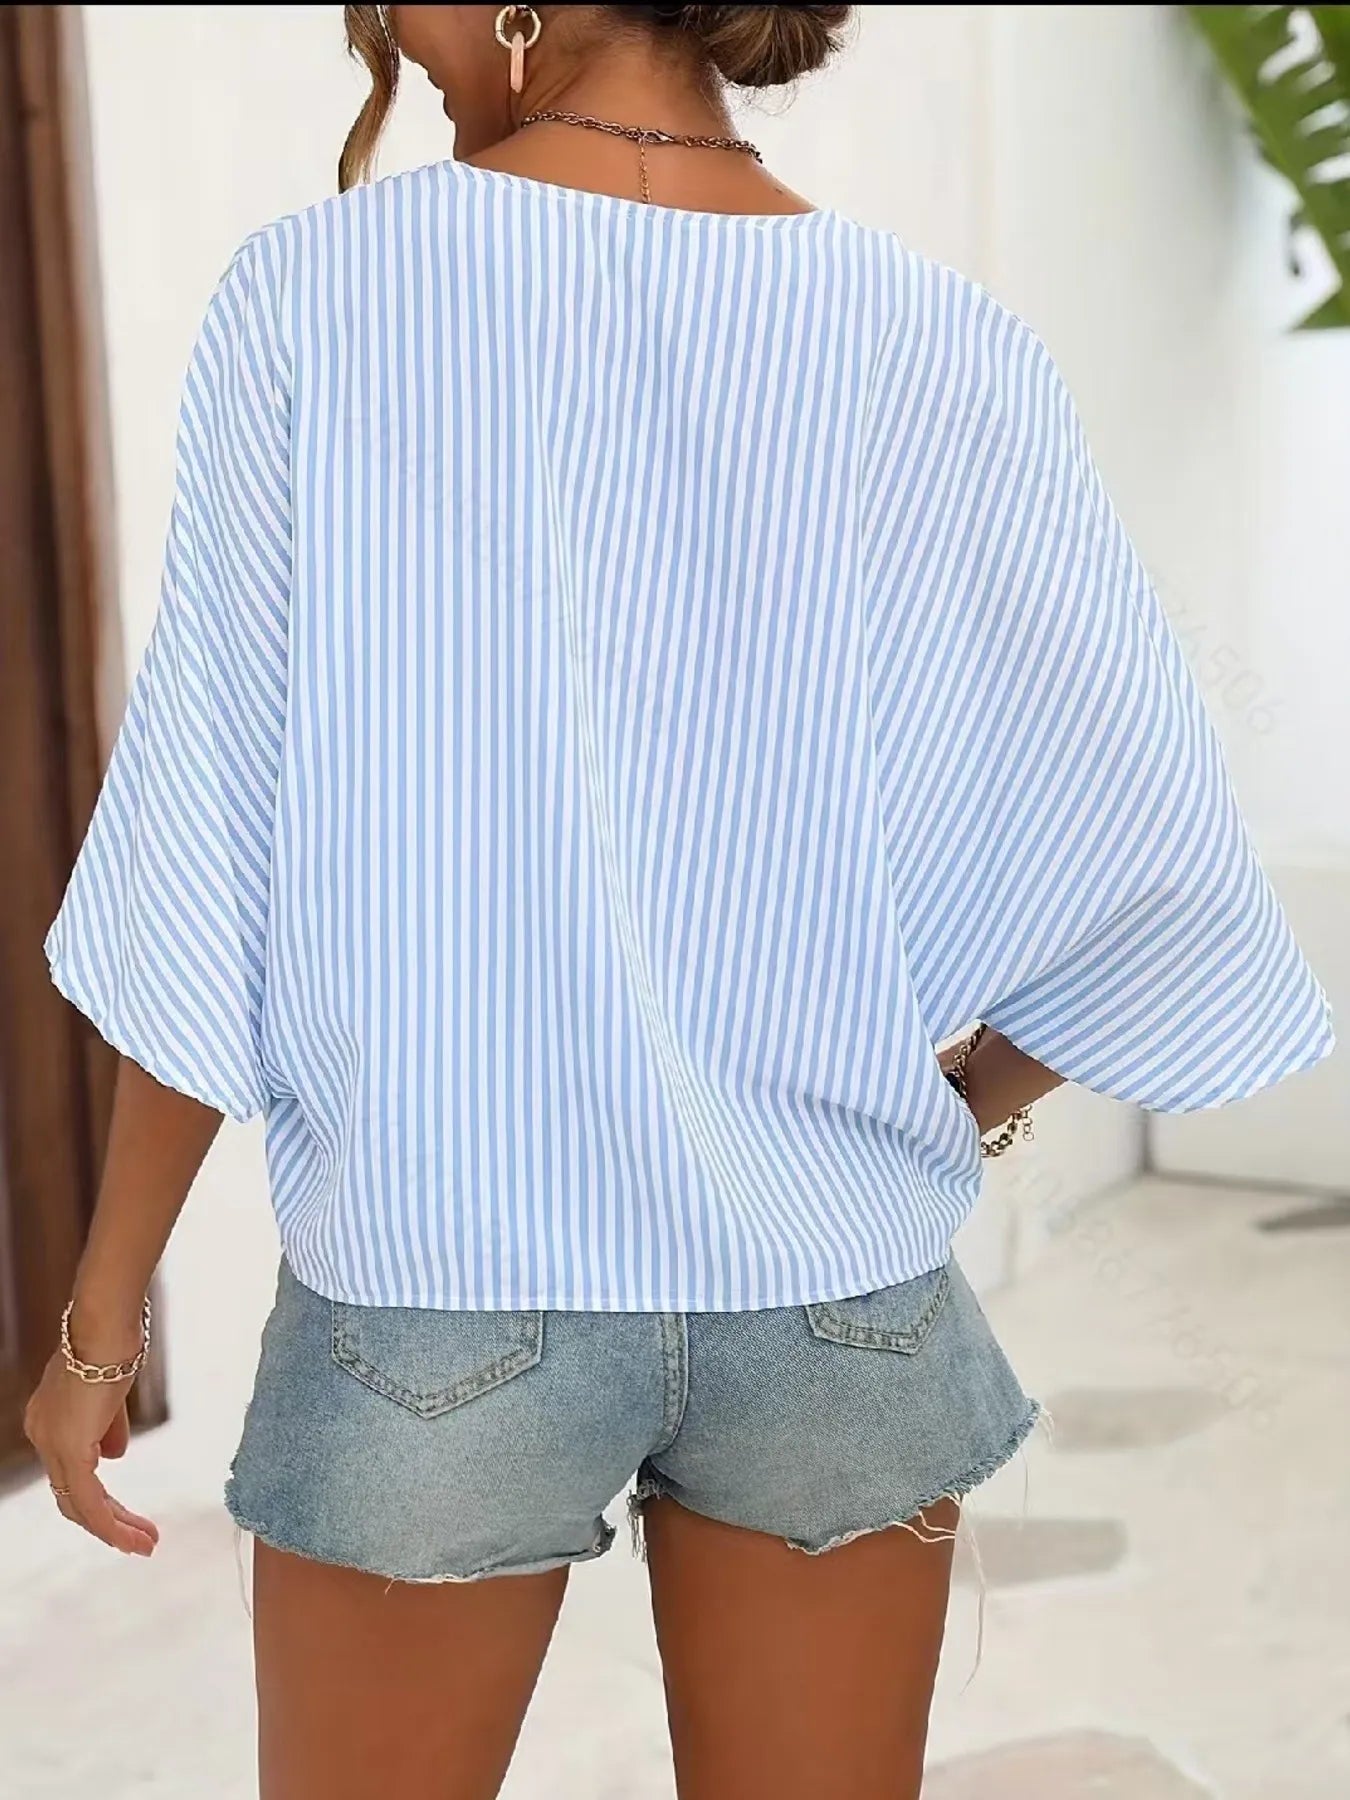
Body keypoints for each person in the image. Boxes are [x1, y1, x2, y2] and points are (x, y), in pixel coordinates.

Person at [23, 6, 1333, 1797]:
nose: (382, 27)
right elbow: (1155, 857)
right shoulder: (937, 339)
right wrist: (960, 1103)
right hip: (840, 1297)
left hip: (439, 1288)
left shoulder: (320, 298)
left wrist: (100, 1318)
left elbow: (203, 848)